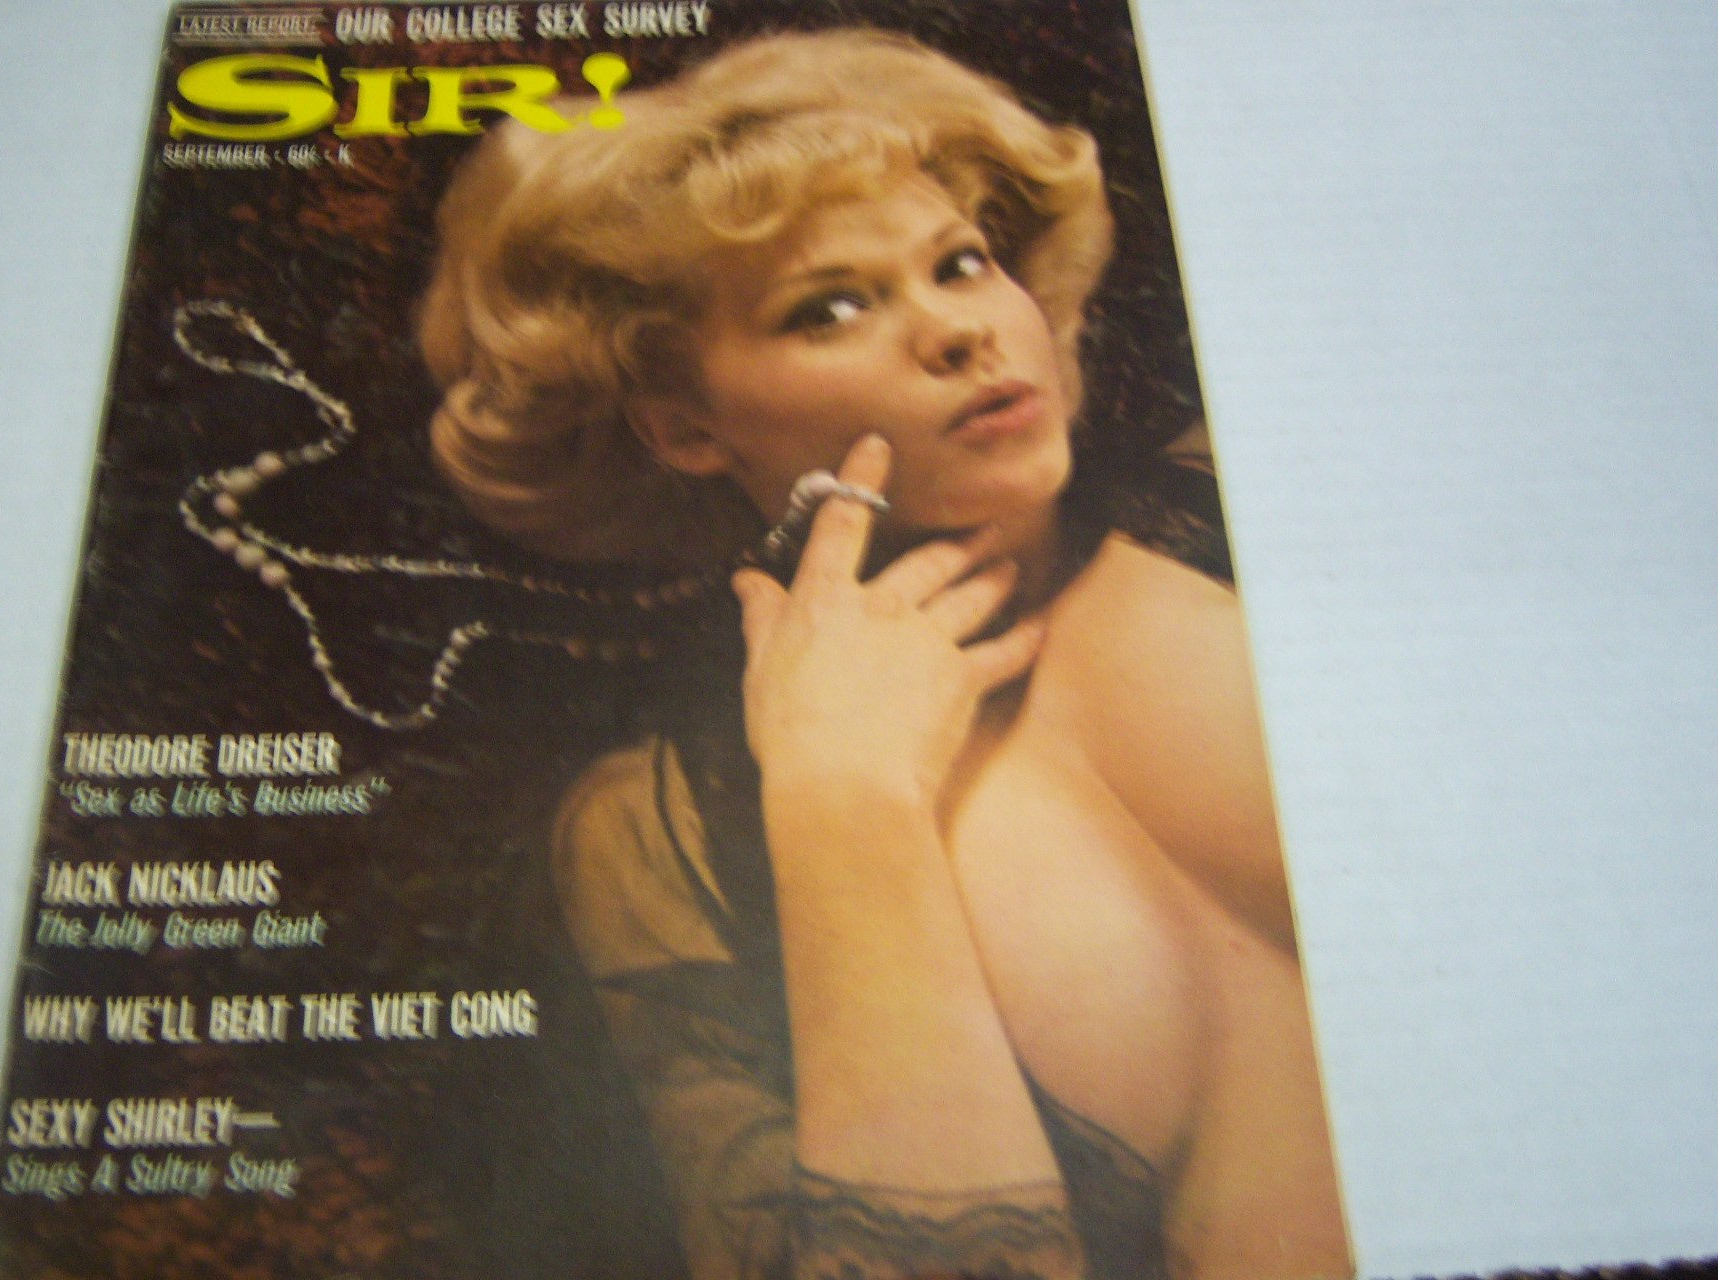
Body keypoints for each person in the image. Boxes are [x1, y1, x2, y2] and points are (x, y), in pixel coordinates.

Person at [418, 30, 1351, 1280]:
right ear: (684, 429)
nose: (957, 329)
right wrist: (838, 798)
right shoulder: (660, 829)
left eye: (961, 263)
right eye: (833, 306)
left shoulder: (1263, 499)